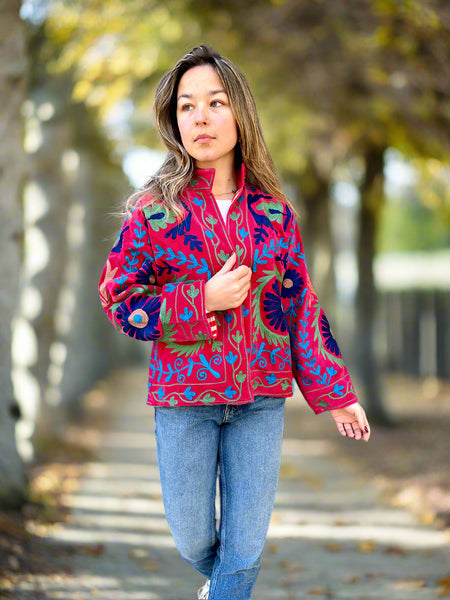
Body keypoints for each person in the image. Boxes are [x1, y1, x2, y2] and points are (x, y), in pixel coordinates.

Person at [99, 45, 371, 600]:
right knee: (192, 539)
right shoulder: (155, 211)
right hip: (184, 401)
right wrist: (203, 298)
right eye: (187, 106)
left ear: (239, 113)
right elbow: (118, 295)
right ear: (173, 121)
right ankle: (216, 584)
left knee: (244, 551)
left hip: (261, 402)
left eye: (215, 103)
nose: (200, 117)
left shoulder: (275, 212)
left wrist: (335, 393)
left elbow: (301, 309)